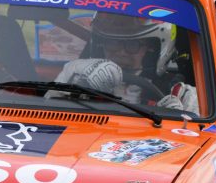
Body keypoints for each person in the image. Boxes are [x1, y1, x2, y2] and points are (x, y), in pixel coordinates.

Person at [66, 12, 199, 114]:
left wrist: (177, 116)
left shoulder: (182, 95)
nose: (121, 52)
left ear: (152, 50)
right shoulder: (78, 82)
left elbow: (202, 135)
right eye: (112, 43)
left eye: (132, 44)